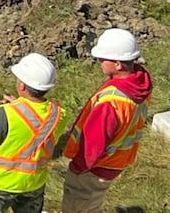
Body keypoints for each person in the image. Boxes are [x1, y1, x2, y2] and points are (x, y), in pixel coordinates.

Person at [60, 28, 154, 213]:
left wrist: (77, 168)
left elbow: (92, 146)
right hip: (115, 161)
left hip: (93, 169)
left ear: (118, 64)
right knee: (92, 204)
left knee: (78, 206)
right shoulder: (139, 83)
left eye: (103, 59)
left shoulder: (110, 104)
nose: (99, 62)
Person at [0, 53, 65, 213]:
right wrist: (19, 105)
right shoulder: (59, 114)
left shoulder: (5, 114)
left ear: (22, 86)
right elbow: (34, 125)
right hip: (33, 182)